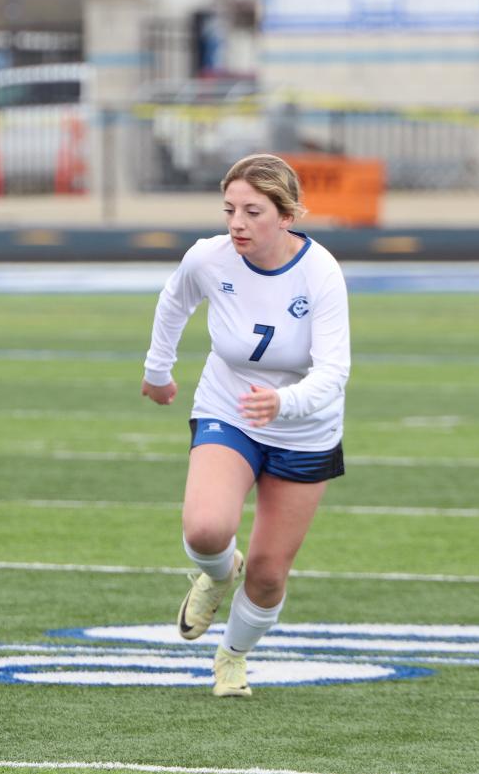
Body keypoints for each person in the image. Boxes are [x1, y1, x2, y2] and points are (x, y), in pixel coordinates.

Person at [141, 153, 350, 698]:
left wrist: (287, 403)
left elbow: (334, 371)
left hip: (305, 427)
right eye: (229, 209)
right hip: (228, 408)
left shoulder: (321, 272)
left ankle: (232, 657)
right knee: (206, 530)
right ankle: (214, 573)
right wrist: (158, 371)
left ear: (287, 216)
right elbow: (173, 303)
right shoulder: (209, 258)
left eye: (252, 211)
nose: (236, 222)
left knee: (268, 574)